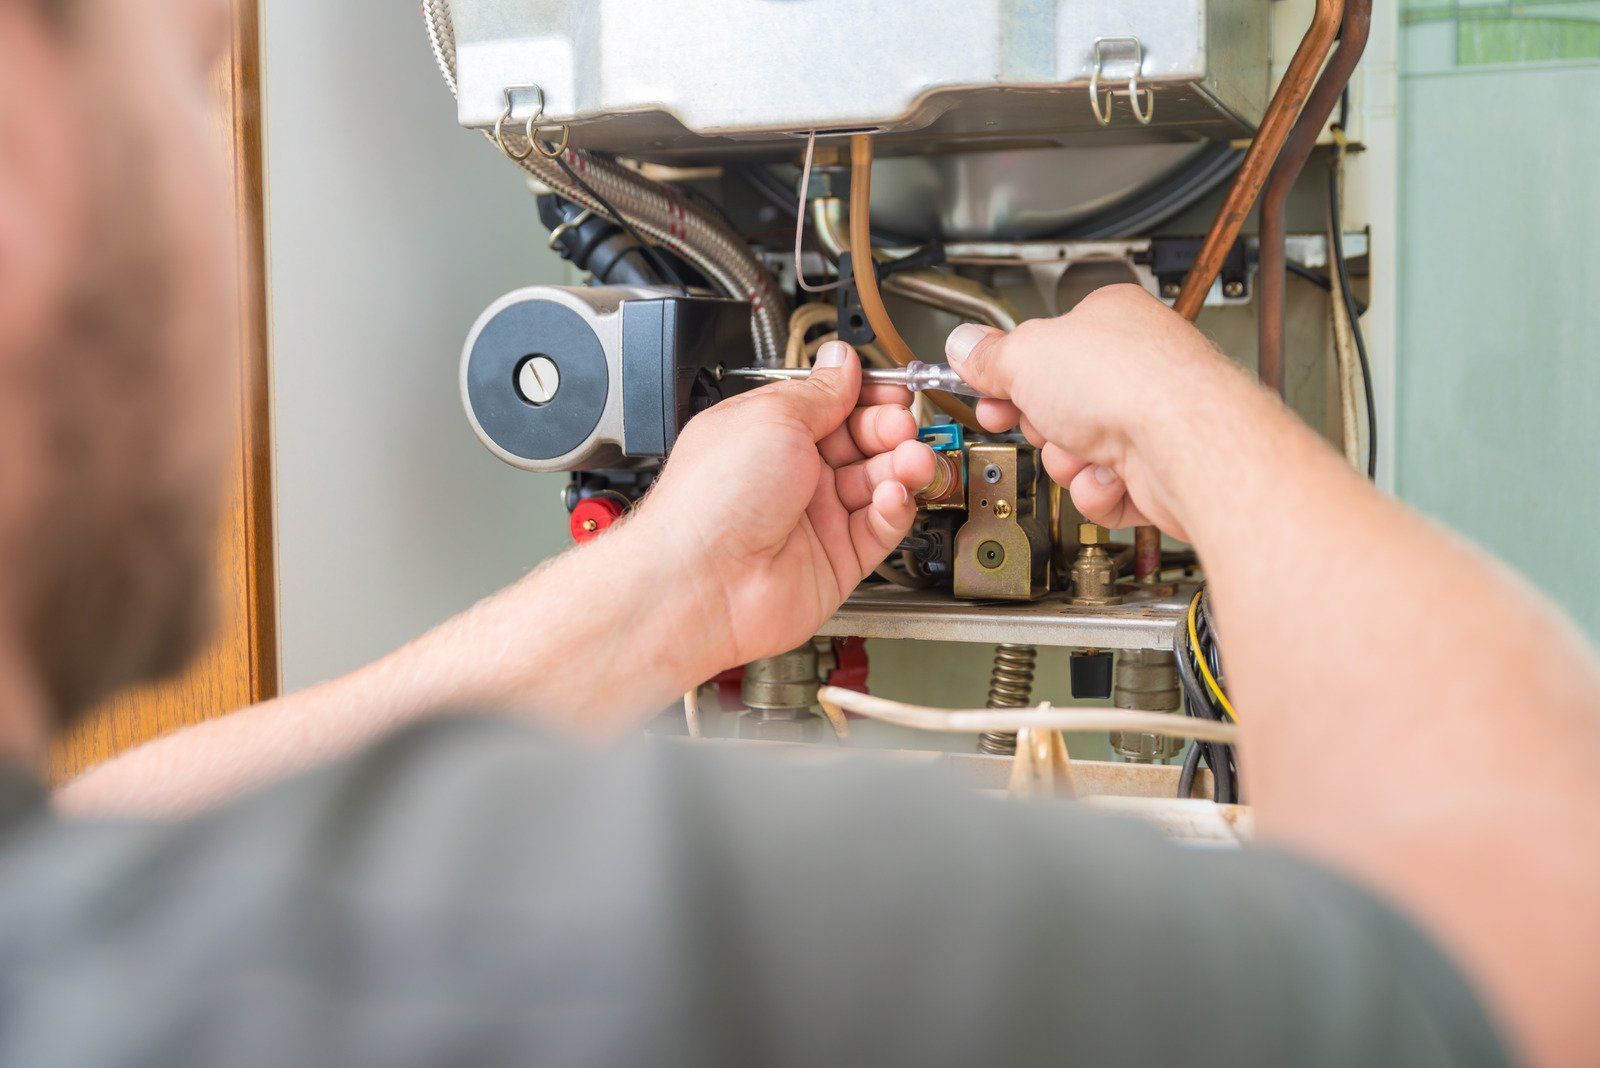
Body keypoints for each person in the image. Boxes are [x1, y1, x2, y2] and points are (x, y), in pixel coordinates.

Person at [1, 1, 1595, 1065]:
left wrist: (675, 587)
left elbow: (116, 845)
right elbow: (1543, 945)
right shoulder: (638, 918)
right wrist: (1201, 428)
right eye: (187, 88)